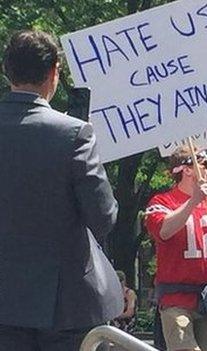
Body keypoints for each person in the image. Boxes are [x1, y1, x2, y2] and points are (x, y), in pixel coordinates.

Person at [0, 30, 122, 350]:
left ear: (6, 70)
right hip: (66, 303)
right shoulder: (74, 133)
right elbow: (103, 216)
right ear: (54, 71)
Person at [144, 146, 207, 351]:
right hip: (176, 298)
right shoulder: (162, 202)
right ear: (187, 169)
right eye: (205, 164)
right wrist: (193, 202)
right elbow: (163, 230)